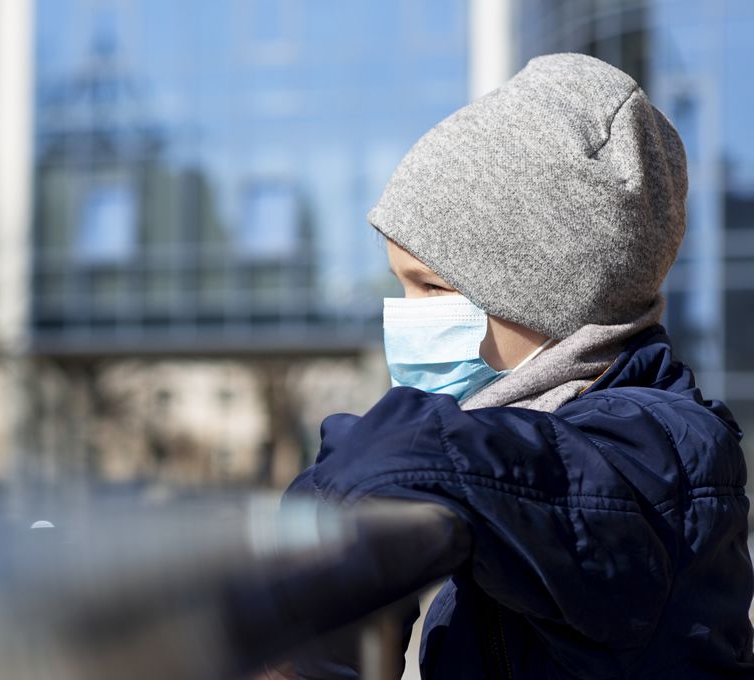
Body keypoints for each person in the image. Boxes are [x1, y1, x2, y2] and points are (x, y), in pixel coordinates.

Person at [285, 53, 754, 679]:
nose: (404, 316)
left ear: (548, 295)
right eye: (401, 287)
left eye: (432, 288)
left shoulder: (657, 454)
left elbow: (412, 460)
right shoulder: (530, 433)